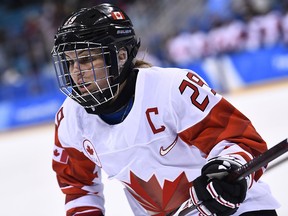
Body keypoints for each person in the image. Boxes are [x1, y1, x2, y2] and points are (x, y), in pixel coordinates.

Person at [51, 3, 280, 216]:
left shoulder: (172, 88)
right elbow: (78, 187)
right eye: (70, 62)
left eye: (85, 60)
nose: (75, 73)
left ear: (119, 56)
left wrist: (226, 168)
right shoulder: (71, 118)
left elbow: (243, 141)